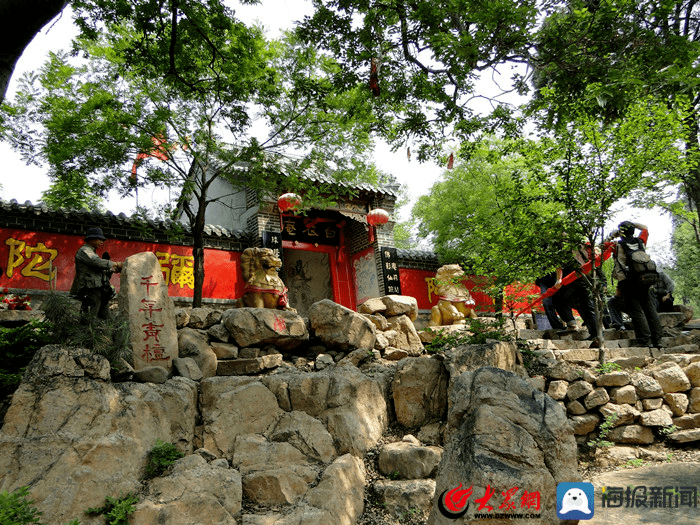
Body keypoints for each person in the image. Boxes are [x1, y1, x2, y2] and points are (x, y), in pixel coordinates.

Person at [605, 221, 662, 348]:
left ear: (621, 232)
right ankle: (658, 340)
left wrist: (612, 235)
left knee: (636, 311)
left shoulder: (616, 245)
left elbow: (600, 247)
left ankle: (644, 340)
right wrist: (632, 225)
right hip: (643, 279)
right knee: (650, 309)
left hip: (627, 282)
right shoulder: (640, 241)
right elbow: (645, 227)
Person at [70, 227, 123, 319]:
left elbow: (97, 270)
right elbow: (96, 262)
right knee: (89, 317)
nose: (102, 242)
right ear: (92, 239)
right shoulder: (84, 251)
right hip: (90, 289)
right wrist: (116, 264)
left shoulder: (92, 252)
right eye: (100, 239)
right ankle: (87, 332)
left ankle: (104, 332)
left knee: (105, 317)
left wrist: (111, 270)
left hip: (99, 289)